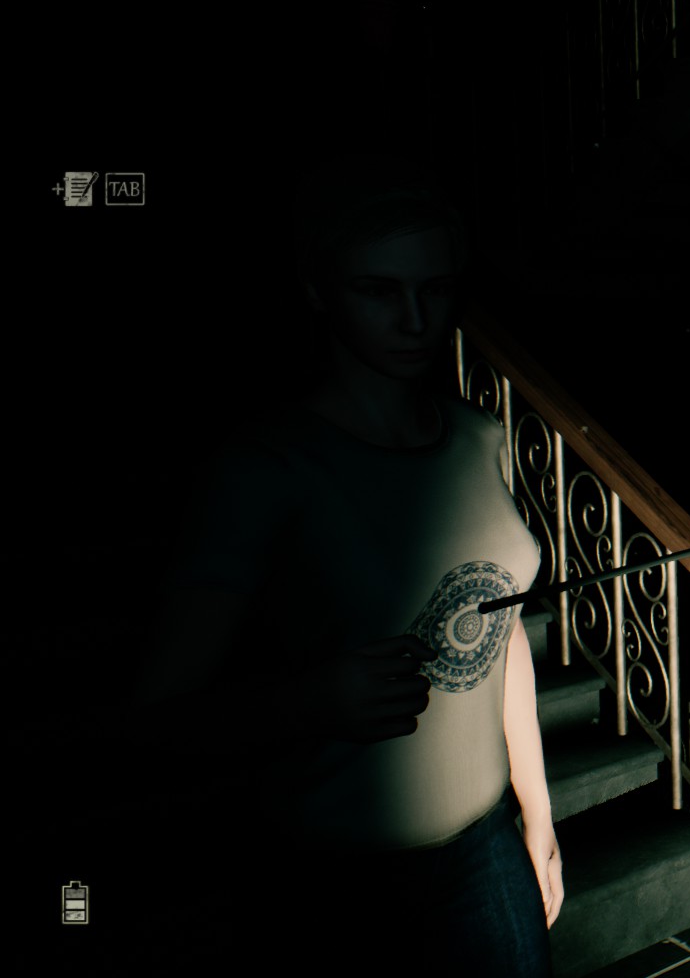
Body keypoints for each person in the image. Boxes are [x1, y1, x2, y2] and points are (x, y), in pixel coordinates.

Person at [123, 155, 561, 973]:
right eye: (379, 290)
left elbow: (498, 636)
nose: (415, 319)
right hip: (338, 877)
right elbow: (156, 717)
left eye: (434, 288)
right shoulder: (267, 468)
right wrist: (308, 700)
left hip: (485, 848)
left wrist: (537, 812)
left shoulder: (480, 438)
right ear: (319, 291)